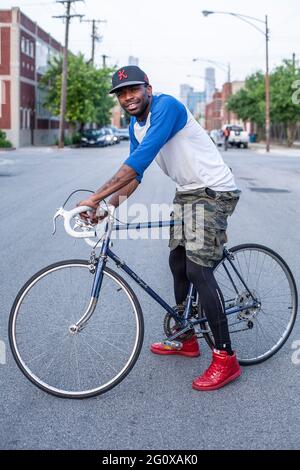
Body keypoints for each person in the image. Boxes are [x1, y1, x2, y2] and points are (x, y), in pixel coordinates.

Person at [78, 65, 242, 391]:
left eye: (133, 90)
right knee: (177, 263)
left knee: (198, 270)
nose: (128, 97)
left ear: (148, 88)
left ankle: (226, 359)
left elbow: (138, 162)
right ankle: (187, 337)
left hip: (213, 191)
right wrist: (108, 208)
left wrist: (94, 198)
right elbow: (135, 178)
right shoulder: (134, 126)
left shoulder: (167, 107)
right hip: (187, 192)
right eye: (122, 94)